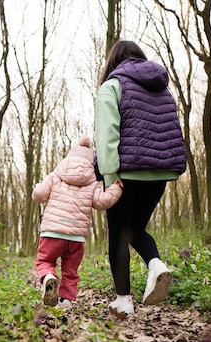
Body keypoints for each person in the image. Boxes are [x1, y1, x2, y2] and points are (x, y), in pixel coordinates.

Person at [94, 40, 187, 318]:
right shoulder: (162, 88)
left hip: (126, 172)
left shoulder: (112, 86)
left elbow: (107, 135)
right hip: (159, 172)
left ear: (113, 61)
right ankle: (156, 264)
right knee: (134, 228)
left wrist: (110, 176)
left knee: (118, 235)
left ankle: (123, 299)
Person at [33, 136, 123, 309]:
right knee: (70, 271)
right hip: (76, 237)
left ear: (69, 157)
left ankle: (48, 277)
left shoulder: (56, 175)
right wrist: (116, 188)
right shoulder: (93, 181)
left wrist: (38, 186)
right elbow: (102, 202)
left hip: (52, 231)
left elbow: (39, 196)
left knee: (45, 261)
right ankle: (66, 301)